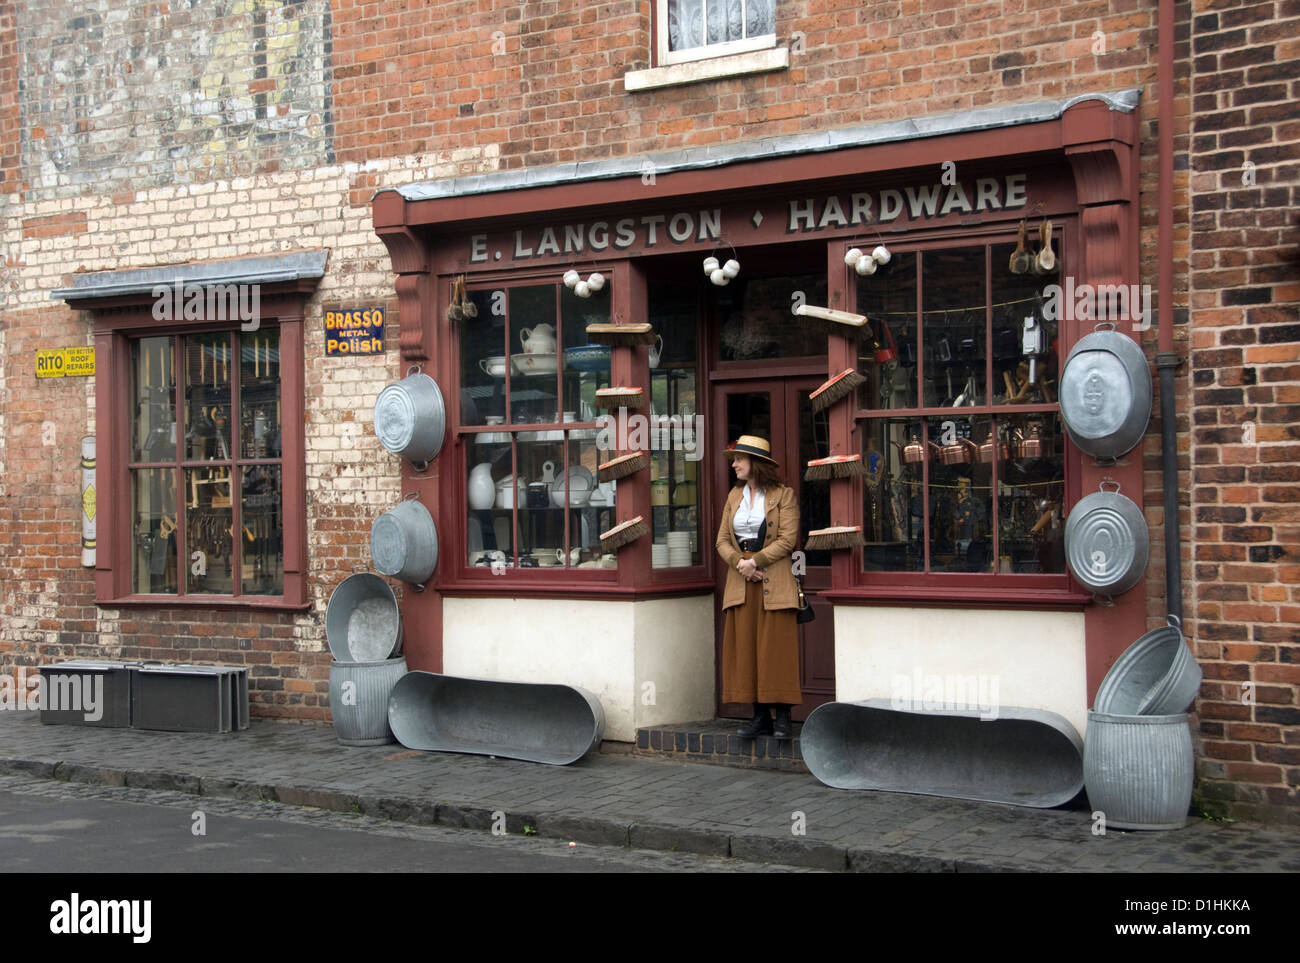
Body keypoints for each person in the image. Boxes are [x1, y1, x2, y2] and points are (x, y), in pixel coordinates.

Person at [716, 434, 802, 739]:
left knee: (776, 649)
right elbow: (721, 540)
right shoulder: (733, 497)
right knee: (747, 648)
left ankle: (783, 719)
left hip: (774, 580)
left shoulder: (784, 496)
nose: (735, 465)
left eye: (739, 459)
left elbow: (788, 540)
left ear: (756, 463)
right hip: (741, 582)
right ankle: (760, 716)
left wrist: (757, 561)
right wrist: (740, 562)